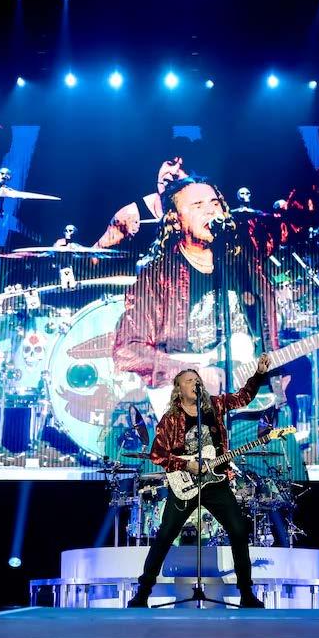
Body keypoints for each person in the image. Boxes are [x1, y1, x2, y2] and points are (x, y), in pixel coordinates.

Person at [113, 175, 279, 399]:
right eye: (198, 205)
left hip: (256, 400)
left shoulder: (247, 265)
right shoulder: (157, 278)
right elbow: (127, 349)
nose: (210, 211)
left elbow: (296, 217)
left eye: (215, 203)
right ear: (175, 219)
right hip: (192, 407)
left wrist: (278, 372)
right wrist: (190, 374)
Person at [126, 353, 271, 608]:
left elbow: (243, 397)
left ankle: (247, 594)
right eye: (189, 380)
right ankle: (142, 593)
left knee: (239, 531)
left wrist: (259, 374)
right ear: (179, 389)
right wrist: (186, 464)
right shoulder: (171, 419)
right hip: (185, 484)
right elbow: (157, 454)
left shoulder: (214, 406)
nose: (195, 383)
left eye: (197, 379)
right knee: (165, 535)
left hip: (215, 483)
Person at [92, 157, 187, 252]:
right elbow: (95, 256)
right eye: (170, 163)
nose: (174, 172)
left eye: (184, 168)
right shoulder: (130, 216)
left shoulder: (195, 215)